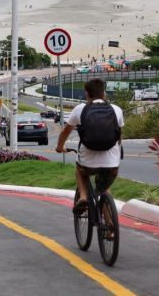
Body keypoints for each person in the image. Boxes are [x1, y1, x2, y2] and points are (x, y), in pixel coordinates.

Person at [55, 79, 124, 215]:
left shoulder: (80, 109)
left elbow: (65, 132)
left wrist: (59, 147)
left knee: (80, 172)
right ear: (104, 93)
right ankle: (110, 229)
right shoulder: (116, 110)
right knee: (103, 189)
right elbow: (119, 135)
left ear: (87, 94)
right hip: (112, 164)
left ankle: (83, 197)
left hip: (87, 162)